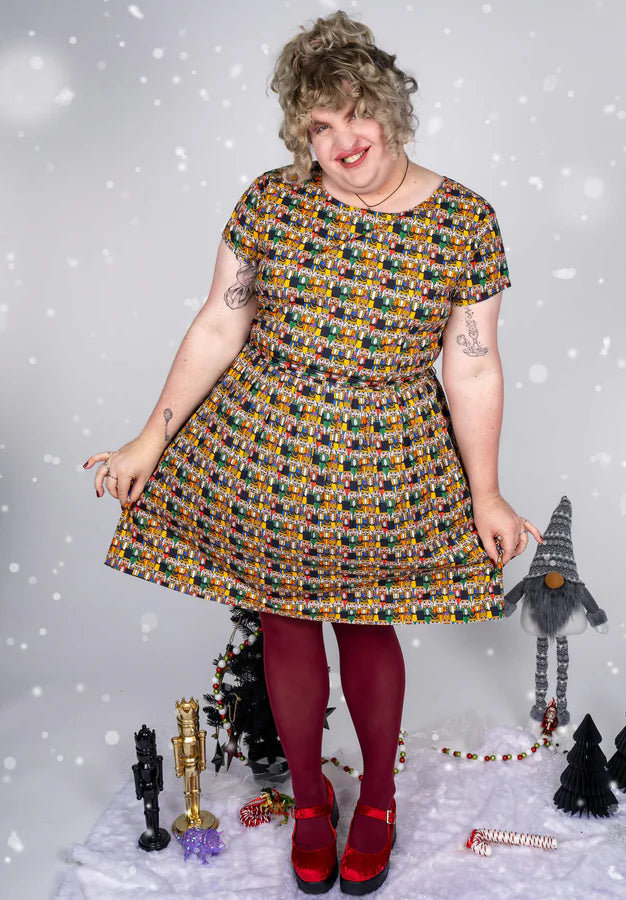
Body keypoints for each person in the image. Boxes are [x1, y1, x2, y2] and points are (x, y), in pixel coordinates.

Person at [84, 11, 542, 896]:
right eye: (318, 127)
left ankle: (378, 804)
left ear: (390, 106)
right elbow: (219, 323)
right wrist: (150, 436)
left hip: (387, 460)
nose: (341, 141)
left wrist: (486, 493)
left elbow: (474, 366)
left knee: (367, 622)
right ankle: (305, 802)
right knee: (285, 621)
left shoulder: (463, 220)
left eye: (354, 114)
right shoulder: (270, 200)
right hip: (264, 448)